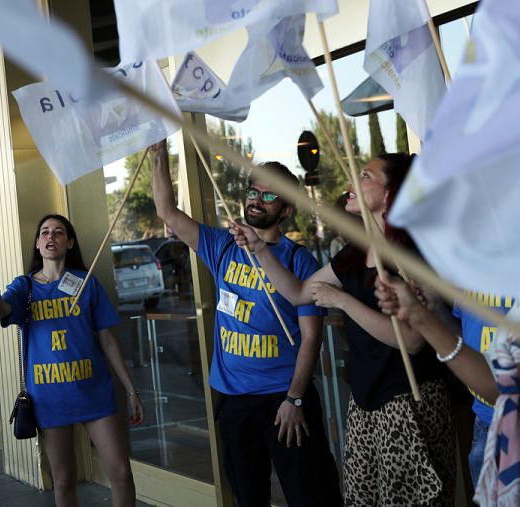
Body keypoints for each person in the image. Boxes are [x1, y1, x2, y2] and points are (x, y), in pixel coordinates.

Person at [231, 153, 456, 505]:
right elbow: (298, 292)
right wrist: (259, 248)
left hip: (407, 403)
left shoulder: (412, 253)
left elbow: (411, 341)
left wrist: (343, 301)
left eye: (365, 174)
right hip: (364, 402)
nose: (353, 179)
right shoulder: (354, 252)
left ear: (391, 194)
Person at [150, 140, 341, 506]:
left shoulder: (299, 261)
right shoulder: (221, 244)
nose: (256, 199)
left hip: (285, 401)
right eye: (253, 190)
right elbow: (167, 212)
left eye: (268, 196)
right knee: (248, 497)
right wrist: (160, 155)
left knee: (311, 495)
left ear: (285, 211)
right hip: (234, 401)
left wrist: (295, 398)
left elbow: (311, 338)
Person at [0, 214, 144, 507]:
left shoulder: (86, 282)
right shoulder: (24, 286)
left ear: (70, 242)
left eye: (58, 232)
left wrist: (131, 390)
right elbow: (4, 310)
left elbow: (107, 339)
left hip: (94, 393)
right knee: (64, 480)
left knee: (121, 472)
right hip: (49, 398)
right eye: (44, 233)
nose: (51, 237)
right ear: (38, 244)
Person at [373, 277, 511, 489]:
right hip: (484, 423)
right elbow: (463, 338)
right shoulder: (472, 268)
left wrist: (420, 318)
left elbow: (504, 390)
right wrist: (434, 309)